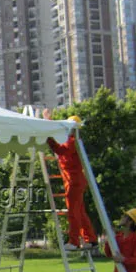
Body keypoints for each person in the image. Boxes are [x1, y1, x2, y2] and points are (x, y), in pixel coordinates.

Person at [43, 108, 97, 251]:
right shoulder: (73, 140)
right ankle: (90, 239)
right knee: (80, 211)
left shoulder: (72, 141)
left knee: (73, 212)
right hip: (75, 179)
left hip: (73, 180)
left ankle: (74, 242)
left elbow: (60, 150)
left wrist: (49, 137)